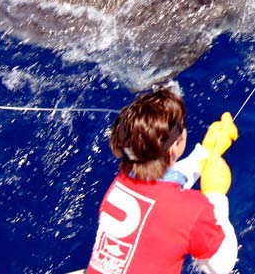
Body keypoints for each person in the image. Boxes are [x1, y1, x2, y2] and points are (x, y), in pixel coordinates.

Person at [86, 89, 238, 274]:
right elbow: (221, 266)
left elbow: (162, 190)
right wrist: (216, 194)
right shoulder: (193, 209)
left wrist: (206, 153)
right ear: (175, 145)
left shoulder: (121, 183)